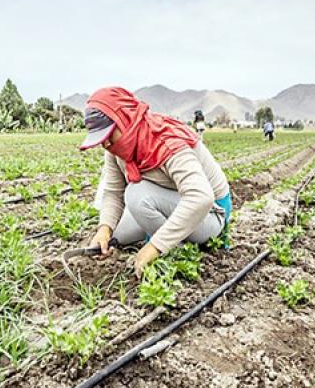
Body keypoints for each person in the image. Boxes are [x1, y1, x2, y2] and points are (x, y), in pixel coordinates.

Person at [81, 87, 232, 279]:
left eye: (109, 135)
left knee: (137, 195)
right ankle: (168, 238)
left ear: (125, 120)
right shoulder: (117, 148)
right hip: (171, 203)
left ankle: (176, 251)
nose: (106, 144)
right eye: (101, 139)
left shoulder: (167, 141)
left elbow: (201, 198)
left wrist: (155, 246)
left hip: (211, 214)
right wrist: (104, 229)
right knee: (116, 235)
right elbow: (113, 192)